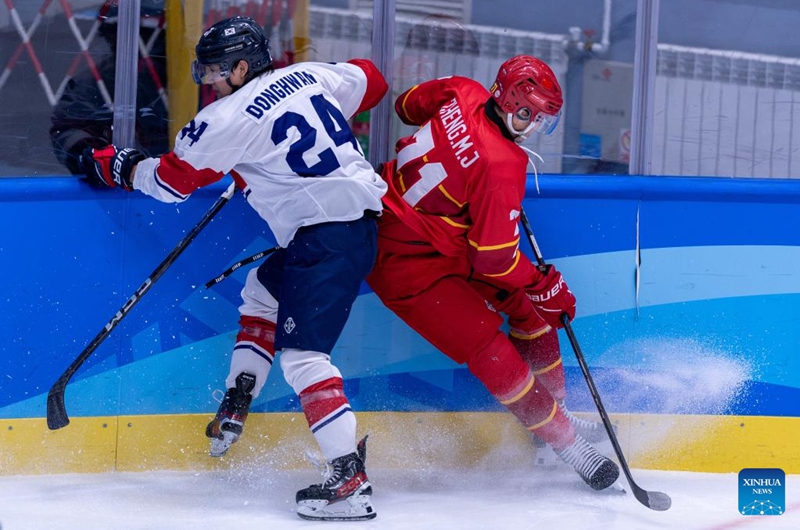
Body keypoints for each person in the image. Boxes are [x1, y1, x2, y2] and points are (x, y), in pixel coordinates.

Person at [80, 16, 387, 521]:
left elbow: (174, 183)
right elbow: (372, 80)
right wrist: (259, 163)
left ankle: (349, 478)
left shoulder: (227, 119)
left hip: (324, 234)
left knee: (304, 359)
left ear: (243, 66)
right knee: (261, 292)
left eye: (216, 72)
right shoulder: (312, 76)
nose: (210, 83)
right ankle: (238, 396)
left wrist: (123, 167)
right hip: (353, 226)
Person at [366, 55, 620, 491]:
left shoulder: (463, 89)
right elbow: (494, 260)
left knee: (531, 312)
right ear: (511, 105)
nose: (535, 126)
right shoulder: (503, 164)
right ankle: (566, 442)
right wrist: (545, 284)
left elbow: (405, 107)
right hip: (401, 257)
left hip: (443, 239)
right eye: (531, 115)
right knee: (488, 344)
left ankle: (550, 419)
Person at [50, 1, 169, 174]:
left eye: (147, 36)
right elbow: (68, 129)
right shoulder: (94, 82)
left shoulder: (197, 84)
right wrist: (90, 154)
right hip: (125, 183)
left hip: (174, 180)